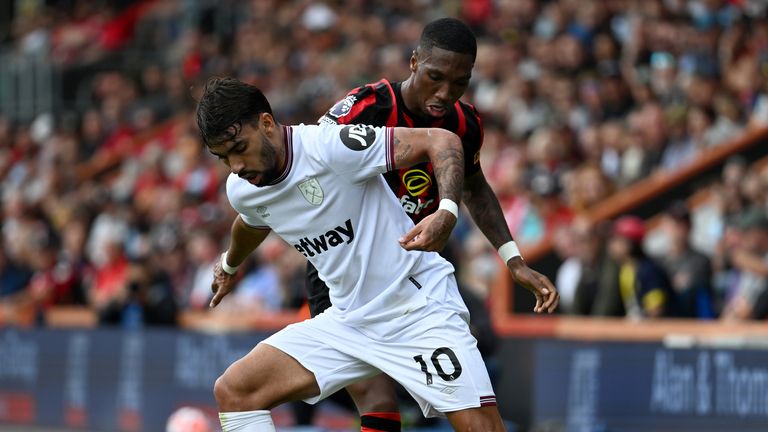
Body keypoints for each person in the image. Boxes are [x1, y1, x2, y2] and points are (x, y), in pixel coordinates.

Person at [197, 77, 527, 431]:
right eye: (223, 157)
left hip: (417, 308)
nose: (234, 166)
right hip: (349, 321)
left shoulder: (331, 147)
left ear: (265, 123)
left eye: (239, 148)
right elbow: (251, 222)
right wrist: (230, 264)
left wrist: (446, 211)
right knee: (235, 391)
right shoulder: (244, 188)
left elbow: (441, 140)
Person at [312, 18, 559, 430]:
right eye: (435, 77)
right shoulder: (366, 108)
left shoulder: (465, 124)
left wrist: (513, 260)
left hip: (415, 272)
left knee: (466, 402)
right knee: (372, 393)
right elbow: (307, 163)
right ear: (414, 62)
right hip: (345, 266)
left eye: (459, 83)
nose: (445, 94)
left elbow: (476, 190)